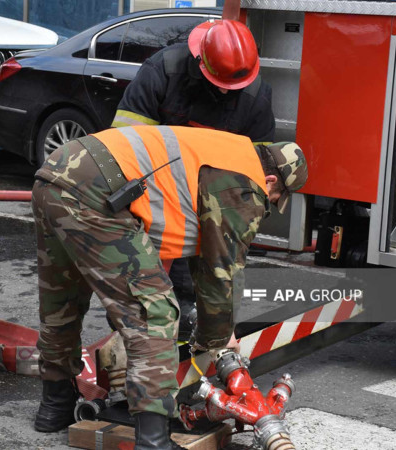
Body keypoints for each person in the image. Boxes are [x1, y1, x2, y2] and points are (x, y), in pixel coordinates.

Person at [31, 125, 307, 449]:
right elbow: (221, 271)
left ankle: (55, 403)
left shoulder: (231, 150)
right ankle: (153, 440)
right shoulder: (245, 185)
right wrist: (217, 340)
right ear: (272, 181)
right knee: (155, 313)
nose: (269, 204)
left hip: (54, 173)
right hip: (98, 194)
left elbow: (204, 250)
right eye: (274, 199)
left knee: (62, 298)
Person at [111, 19, 276, 339]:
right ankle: (137, 345)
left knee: (207, 292)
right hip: (154, 196)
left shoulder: (256, 96)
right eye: (219, 83)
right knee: (136, 288)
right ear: (201, 61)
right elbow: (124, 146)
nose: (225, 91)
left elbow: (257, 173)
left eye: (233, 86)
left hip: (211, 205)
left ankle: (198, 346)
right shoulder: (163, 71)